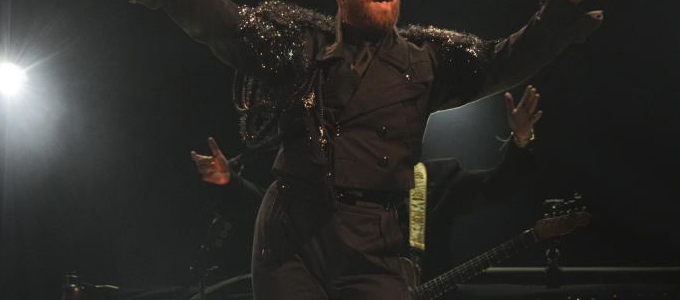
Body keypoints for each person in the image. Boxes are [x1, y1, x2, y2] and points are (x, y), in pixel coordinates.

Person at [121, 0, 602, 299]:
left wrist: (561, 6)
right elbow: (223, 24)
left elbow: (503, 61)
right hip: (294, 232)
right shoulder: (301, 44)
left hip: (377, 240)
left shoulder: (425, 60)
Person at [190, 86, 545, 285]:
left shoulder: (431, 180)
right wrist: (229, 183)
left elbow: (496, 186)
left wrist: (521, 140)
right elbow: (280, 215)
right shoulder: (339, 181)